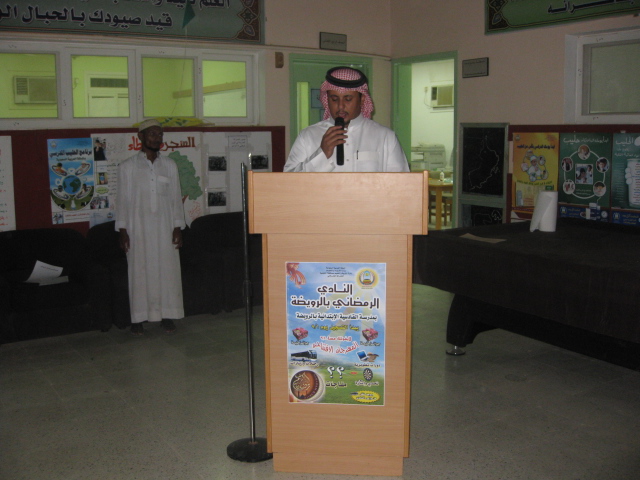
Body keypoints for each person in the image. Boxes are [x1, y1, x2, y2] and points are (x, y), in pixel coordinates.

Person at [116, 119, 185, 335]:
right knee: (139, 272)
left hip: (165, 229)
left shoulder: (170, 165)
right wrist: (123, 231)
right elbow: (122, 201)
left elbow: (175, 198)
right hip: (138, 230)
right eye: (153, 134)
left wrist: (177, 227)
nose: (157, 138)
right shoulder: (127, 167)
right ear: (141, 137)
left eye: (160, 135)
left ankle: (167, 315)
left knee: (167, 272)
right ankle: (138, 318)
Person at [284, 67, 409, 172]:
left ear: (362, 99)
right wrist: (322, 153)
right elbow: (288, 181)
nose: (340, 106)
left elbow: (402, 184)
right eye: (334, 99)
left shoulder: (385, 137)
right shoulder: (308, 136)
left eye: (348, 99)